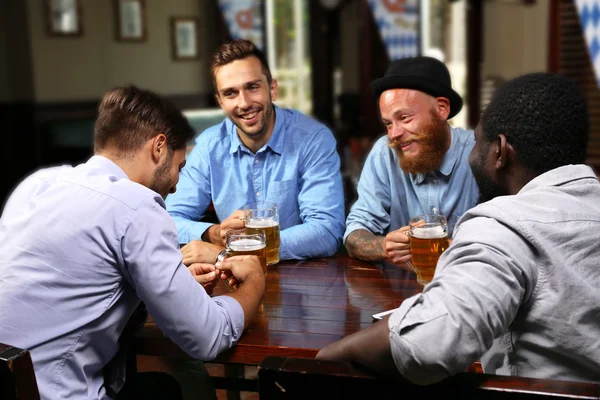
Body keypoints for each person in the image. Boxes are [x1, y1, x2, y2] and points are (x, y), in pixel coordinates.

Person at [317, 72, 600, 384]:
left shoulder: (503, 223)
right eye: (388, 123)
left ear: (501, 151)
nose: (472, 154)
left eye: (479, 142)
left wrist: (323, 361)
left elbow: (427, 344)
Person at [0, 86, 266, 399]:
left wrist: (168, 283)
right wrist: (255, 282)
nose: (177, 185)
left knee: (160, 388)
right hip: (57, 392)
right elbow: (208, 337)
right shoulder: (137, 204)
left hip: (11, 383)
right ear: (159, 148)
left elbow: (68, 286)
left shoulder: (37, 184)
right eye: (179, 166)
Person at [165, 39, 345, 261]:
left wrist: (240, 249)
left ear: (272, 88)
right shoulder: (208, 146)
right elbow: (168, 219)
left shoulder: (313, 139)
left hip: (301, 279)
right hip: (233, 281)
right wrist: (213, 233)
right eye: (230, 93)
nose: (244, 103)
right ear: (220, 102)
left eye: (252, 87)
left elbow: (327, 230)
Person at [344, 57, 479, 267]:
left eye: (405, 118)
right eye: (388, 123)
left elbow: (512, 237)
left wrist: (444, 248)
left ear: (442, 108)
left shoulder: (479, 152)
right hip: (400, 293)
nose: (394, 134)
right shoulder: (384, 153)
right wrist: (385, 246)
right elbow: (354, 235)